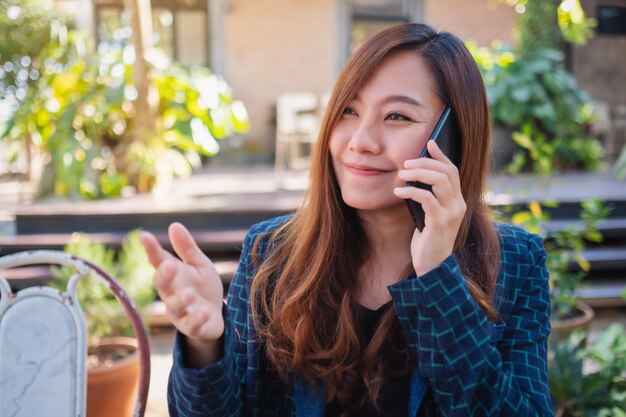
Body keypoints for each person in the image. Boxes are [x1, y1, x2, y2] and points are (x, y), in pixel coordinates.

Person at [140, 23, 553, 417]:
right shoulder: (271, 253)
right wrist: (204, 344)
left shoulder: (517, 262)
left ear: (453, 137)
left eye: (397, 117)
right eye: (349, 111)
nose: (360, 142)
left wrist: (439, 279)